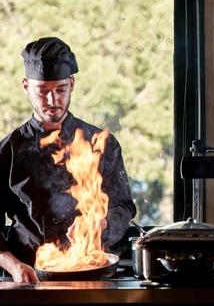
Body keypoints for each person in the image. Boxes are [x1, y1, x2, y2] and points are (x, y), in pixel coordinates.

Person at [0, 37, 136, 283]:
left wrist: (101, 223)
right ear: (26, 87)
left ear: (71, 84)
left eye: (60, 90)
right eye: (43, 91)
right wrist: (14, 266)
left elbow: (125, 208)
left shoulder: (101, 143)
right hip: (28, 276)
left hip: (89, 272)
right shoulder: (8, 150)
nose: (52, 101)